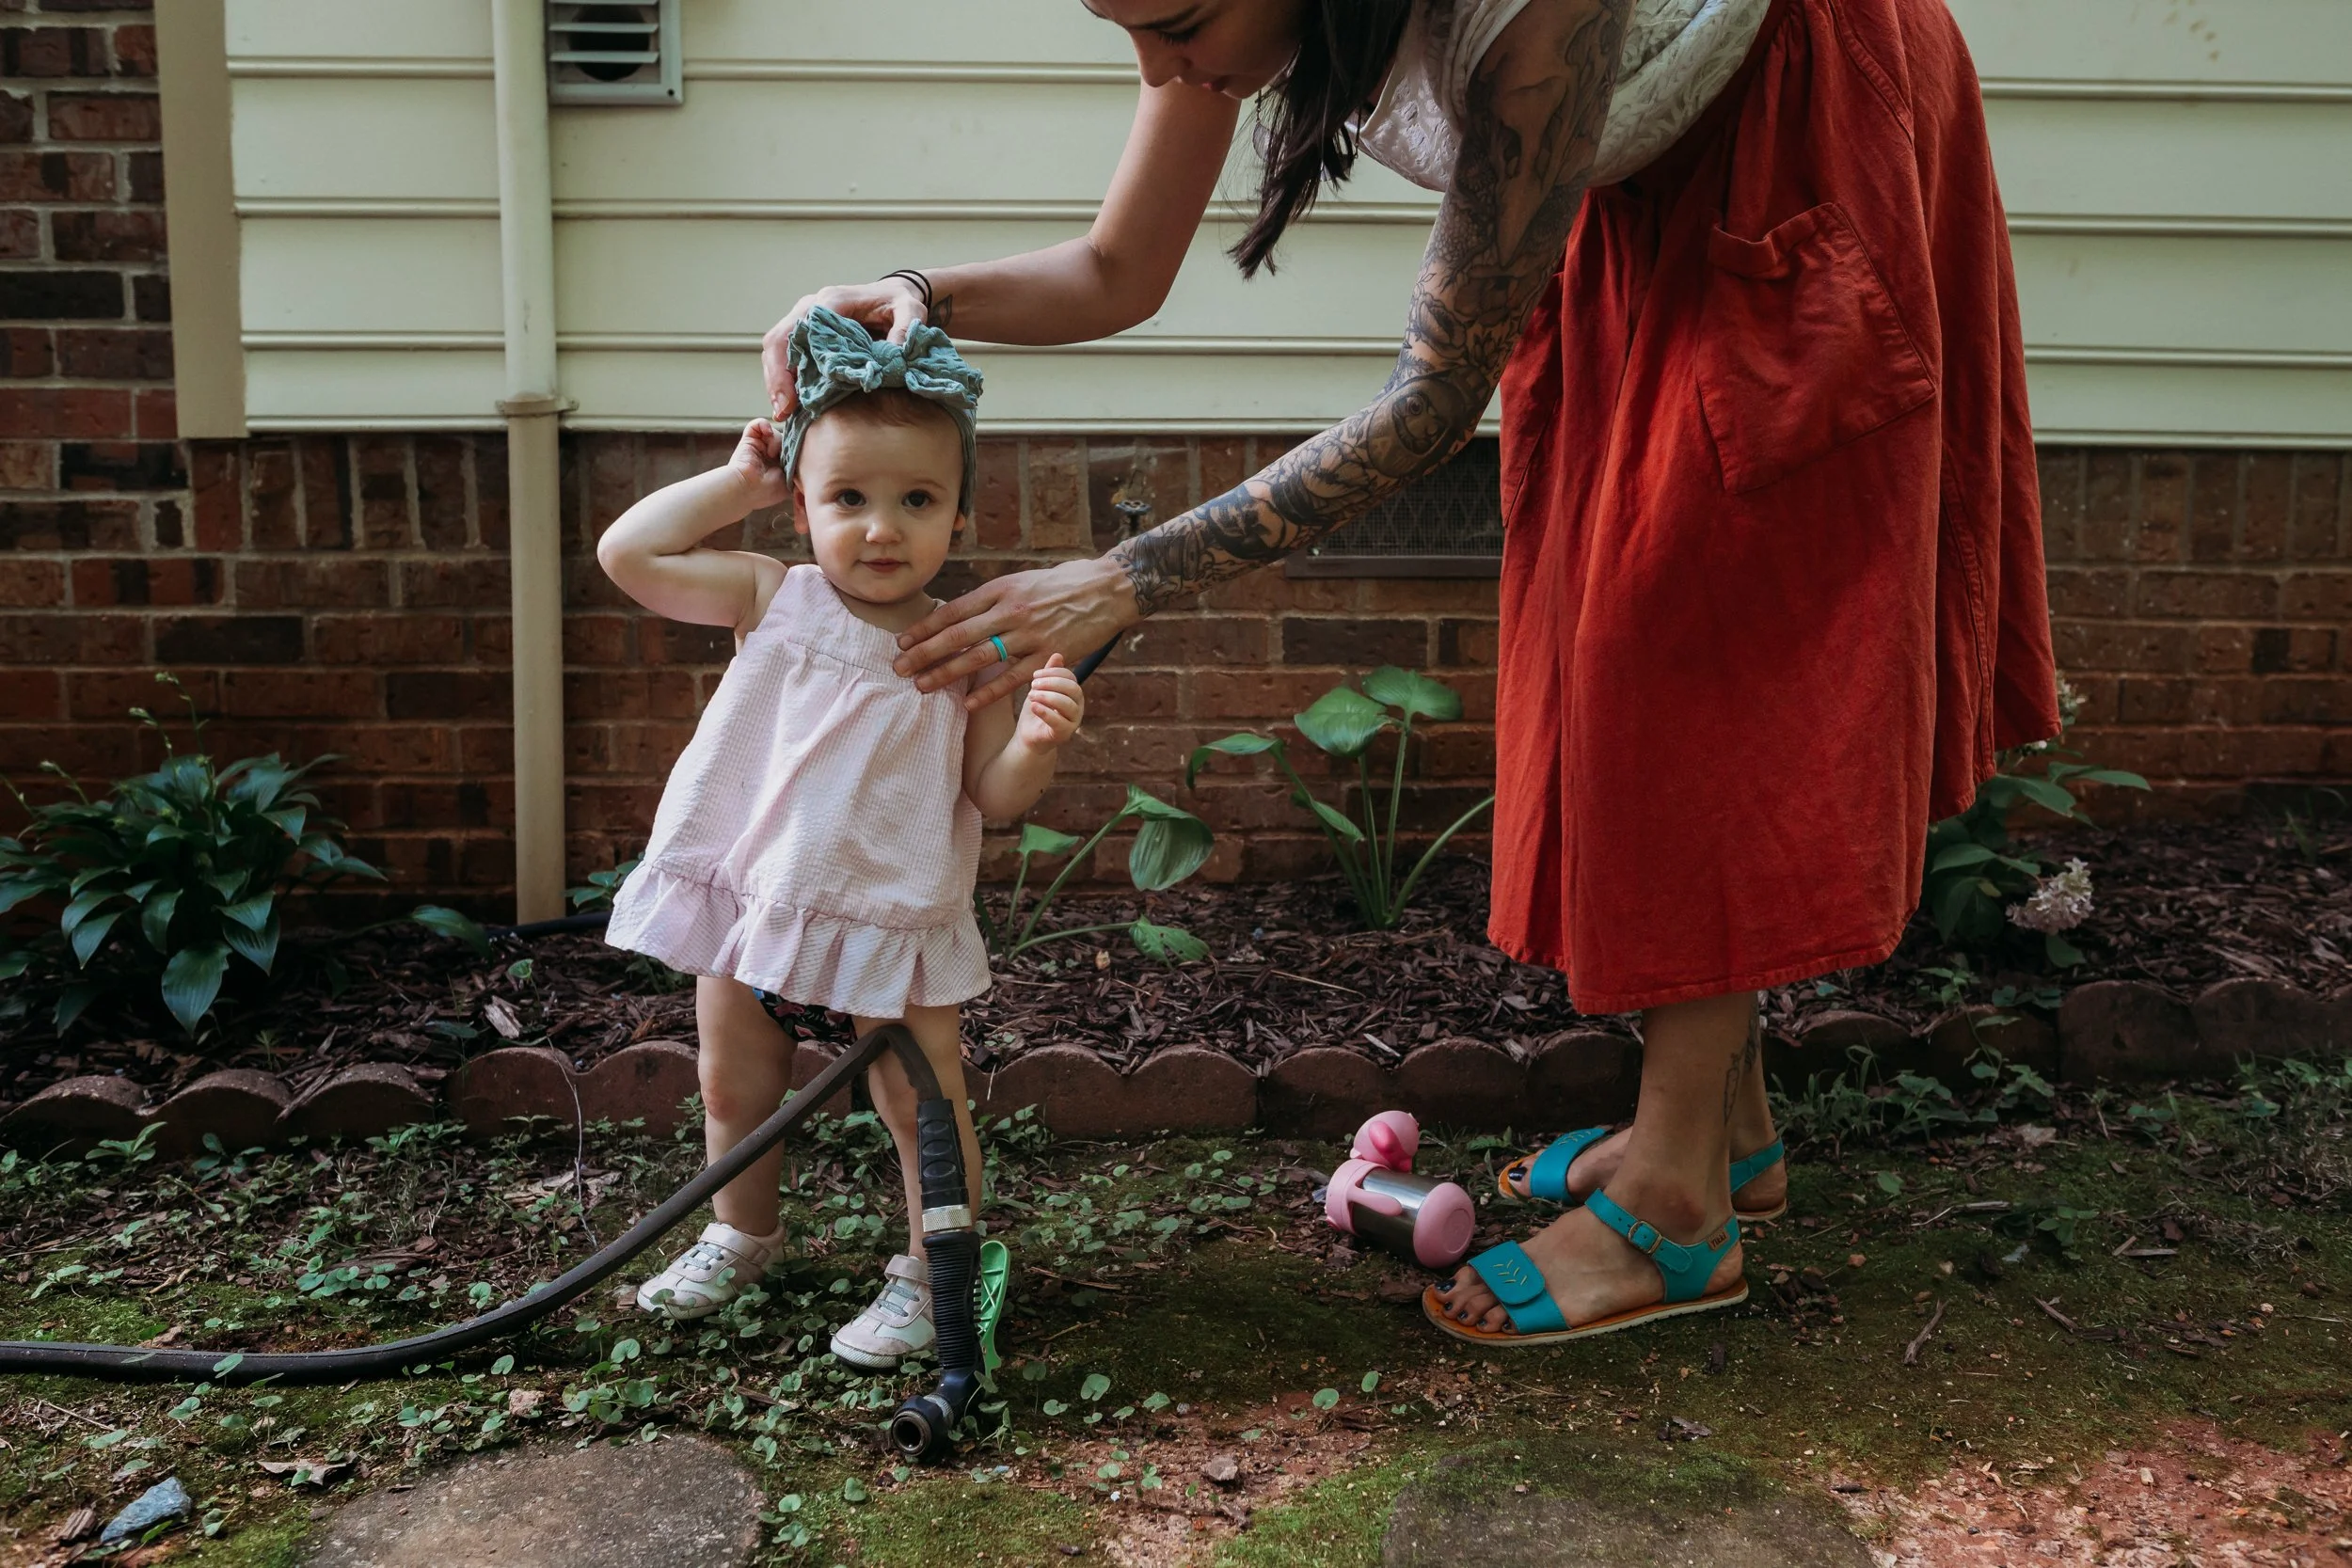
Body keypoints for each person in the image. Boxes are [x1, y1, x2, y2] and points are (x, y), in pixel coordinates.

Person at [759, 0, 2058, 1344]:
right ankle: (1721, 1127)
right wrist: (922, 293)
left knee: (1683, 631)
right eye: (1128, 27)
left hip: (1799, 127)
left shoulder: (1526, 19)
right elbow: (1119, 263)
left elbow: (1431, 405)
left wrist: (1124, 574)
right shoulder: (1231, 14)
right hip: (1649, 168)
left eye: (1180, 23)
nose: (1160, 66)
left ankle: (1678, 1203)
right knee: (1613, 611)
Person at [597, 309, 1086, 1369]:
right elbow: (628, 552)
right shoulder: (772, 597)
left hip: (890, 910)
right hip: (759, 894)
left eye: (916, 500)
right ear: (804, 507)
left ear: (957, 518)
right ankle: (742, 1231)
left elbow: (993, 793)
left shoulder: (963, 644)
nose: (880, 528)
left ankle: (929, 1266)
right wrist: (740, 484)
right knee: (734, 1083)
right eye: (847, 498)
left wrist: (1038, 742)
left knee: (921, 1097)